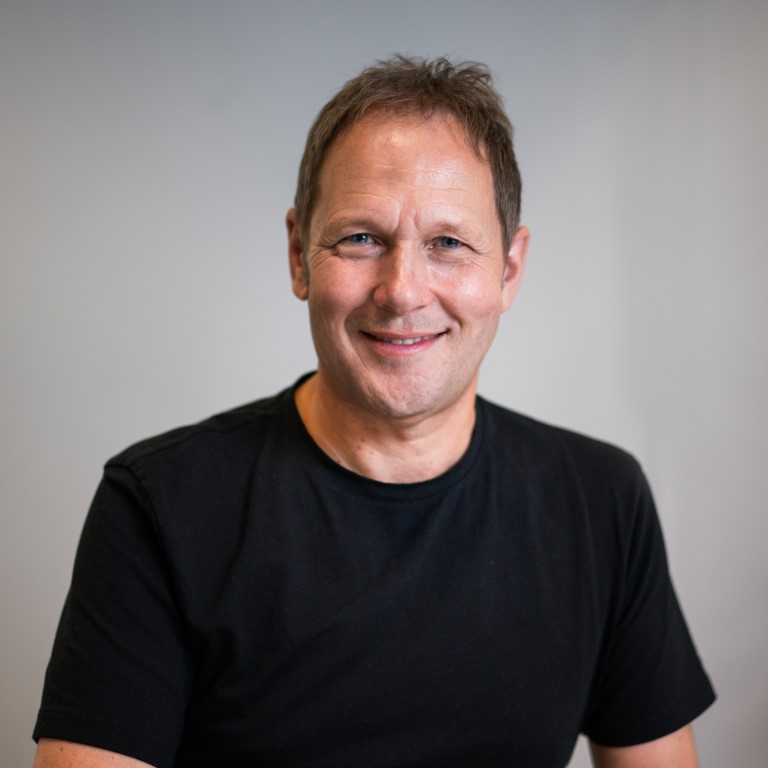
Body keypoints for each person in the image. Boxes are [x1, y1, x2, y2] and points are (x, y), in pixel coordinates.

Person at [33, 56, 715, 768]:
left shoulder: (600, 501)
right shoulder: (161, 506)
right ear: (299, 255)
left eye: (448, 243)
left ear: (509, 271)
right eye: (361, 237)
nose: (402, 291)